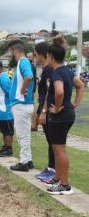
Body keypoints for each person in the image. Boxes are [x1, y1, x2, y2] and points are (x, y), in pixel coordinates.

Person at [45, 37, 84, 195]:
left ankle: (65, 185)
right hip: (68, 113)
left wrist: (59, 107)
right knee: (56, 148)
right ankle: (57, 177)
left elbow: (59, 91)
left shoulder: (57, 73)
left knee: (60, 150)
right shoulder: (67, 70)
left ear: (51, 57)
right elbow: (80, 85)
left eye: (47, 56)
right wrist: (74, 104)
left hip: (60, 115)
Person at [8, 40, 35, 172]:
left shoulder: (23, 61)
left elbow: (28, 76)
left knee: (22, 135)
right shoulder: (23, 62)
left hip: (21, 104)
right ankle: (28, 160)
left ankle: (24, 162)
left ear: (15, 51)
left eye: (11, 52)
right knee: (25, 134)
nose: (11, 55)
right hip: (22, 104)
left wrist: (23, 89)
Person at [33, 42, 55, 181]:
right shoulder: (46, 69)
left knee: (53, 142)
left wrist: (43, 111)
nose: (35, 57)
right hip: (45, 107)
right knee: (50, 141)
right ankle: (50, 168)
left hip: (48, 110)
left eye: (36, 54)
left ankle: (52, 170)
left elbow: (48, 92)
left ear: (42, 54)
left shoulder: (48, 70)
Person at [0, 61, 14, 157]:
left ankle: (9, 149)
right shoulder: (0, 77)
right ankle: (5, 147)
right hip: (1, 109)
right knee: (4, 130)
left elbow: (9, 92)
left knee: (8, 130)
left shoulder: (3, 78)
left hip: (5, 109)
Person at [27, 52, 39, 132]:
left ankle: (33, 125)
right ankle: (33, 125)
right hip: (31, 89)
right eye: (27, 57)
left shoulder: (31, 66)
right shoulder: (32, 66)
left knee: (31, 108)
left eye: (30, 57)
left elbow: (31, 79)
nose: (28, 58)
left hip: (30, 90)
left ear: (33, 58)